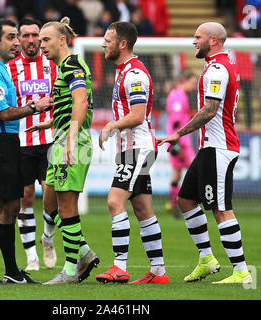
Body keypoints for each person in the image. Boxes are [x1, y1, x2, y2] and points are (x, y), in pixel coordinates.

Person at [157, 22, 252, 284]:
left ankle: (242, 271)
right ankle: (207, 258)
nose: (193, 41)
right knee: (186, 200)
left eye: (197, 37)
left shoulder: (217, 70)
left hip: (219, 148)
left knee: (221, 210)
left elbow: (210, 110)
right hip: (208, 147)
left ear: (213, 40)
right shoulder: (221, 66)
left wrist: (178, 133)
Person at [0, 19, 53, 285]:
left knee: (12, 206)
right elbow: (4, 113)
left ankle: (12, 272)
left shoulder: (0, 68)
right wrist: (35, 107)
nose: (17, 42)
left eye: (17, 36)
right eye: (11, 37)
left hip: (8, 142)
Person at [96, 21, 168, 284]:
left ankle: (119, 267)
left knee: (115, 201)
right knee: (142, 208)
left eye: (107, 39)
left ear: (122, 44)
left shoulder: (134, 75)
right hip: (131, 148)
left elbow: (137, 116)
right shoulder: (123, 71)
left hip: (137, 149)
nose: (103, 44)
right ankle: (158, 272)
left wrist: (111, 125)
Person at [38, 16, 100, 284]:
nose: (41, 45)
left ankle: (71, 271)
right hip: (60, 138)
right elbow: (69, 105)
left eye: (46, 40)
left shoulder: (73, 63)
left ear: (62, 40)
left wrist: (71, 141)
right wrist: (50, 122)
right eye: (40, 40)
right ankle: (84, 252)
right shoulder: (62, 66)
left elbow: (81, 102)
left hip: (70, 141)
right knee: (49, 204)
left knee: (66, 208)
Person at [6, 18, 58, 272]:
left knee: (53, 196)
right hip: (22, 142)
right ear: (19, 39)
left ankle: (47, 239)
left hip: (49, 140)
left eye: (34, 35)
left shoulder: (53, 66)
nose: (30, 40)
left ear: (40, 37)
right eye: (24, 35)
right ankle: (31, 257)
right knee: (25, 198)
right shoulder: (9, 69)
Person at [164, 69, 197, 219]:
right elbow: (177, 120)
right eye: (193, 83)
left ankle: (173, 203)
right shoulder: (178, 95)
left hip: (179, 141)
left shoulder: (177, 95)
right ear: (184, 80)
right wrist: (176, 144)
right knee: (197, 170)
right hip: (181, 143)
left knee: (177, 174)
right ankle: (187, 203)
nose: (194, 86)